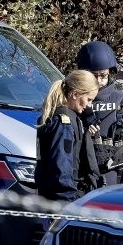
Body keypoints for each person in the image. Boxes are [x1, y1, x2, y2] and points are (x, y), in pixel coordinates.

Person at [75, 40, 123, 185]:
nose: (99, 81)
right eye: (94, 76)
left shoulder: (122, 101)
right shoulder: (75, 101)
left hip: (115, 180)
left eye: (103, 75)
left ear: (110, 73)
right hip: (81, 180)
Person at [36, 70, 99, 201]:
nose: (89, 105)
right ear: (75, 94)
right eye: (88, 99)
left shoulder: (69, 118)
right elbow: (61, 168)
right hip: (61, 200)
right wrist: (69, 201)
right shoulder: (63, 123)